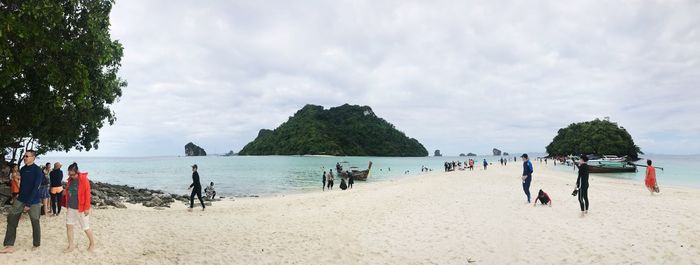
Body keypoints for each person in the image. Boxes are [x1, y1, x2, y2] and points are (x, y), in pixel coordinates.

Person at [1, 150, 43, 253]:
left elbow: (35, 188)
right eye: (24, 156)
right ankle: (9, 245)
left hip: (33, 201)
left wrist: (28, 203)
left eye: (27, 156)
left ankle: (36, 244)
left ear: (33, 157)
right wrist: (19, 194)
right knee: (11, 218)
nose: (24, 158)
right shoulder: (23, 169)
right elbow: (23, 185)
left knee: (35, 222)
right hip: (21, 199)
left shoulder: (37, 170)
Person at [62, 162, 95, 253]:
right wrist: (66, 192)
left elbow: (87, 194)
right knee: (69, 226)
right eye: (69, 174)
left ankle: (92, 244)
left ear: (77, 172)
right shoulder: (70, 179)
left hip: (81, 208)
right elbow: (70, 189)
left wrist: (87, 208)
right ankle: (71, 246)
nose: (70, 176)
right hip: (71, 207)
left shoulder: (84, 179)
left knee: (85, 227)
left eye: (72, 174)